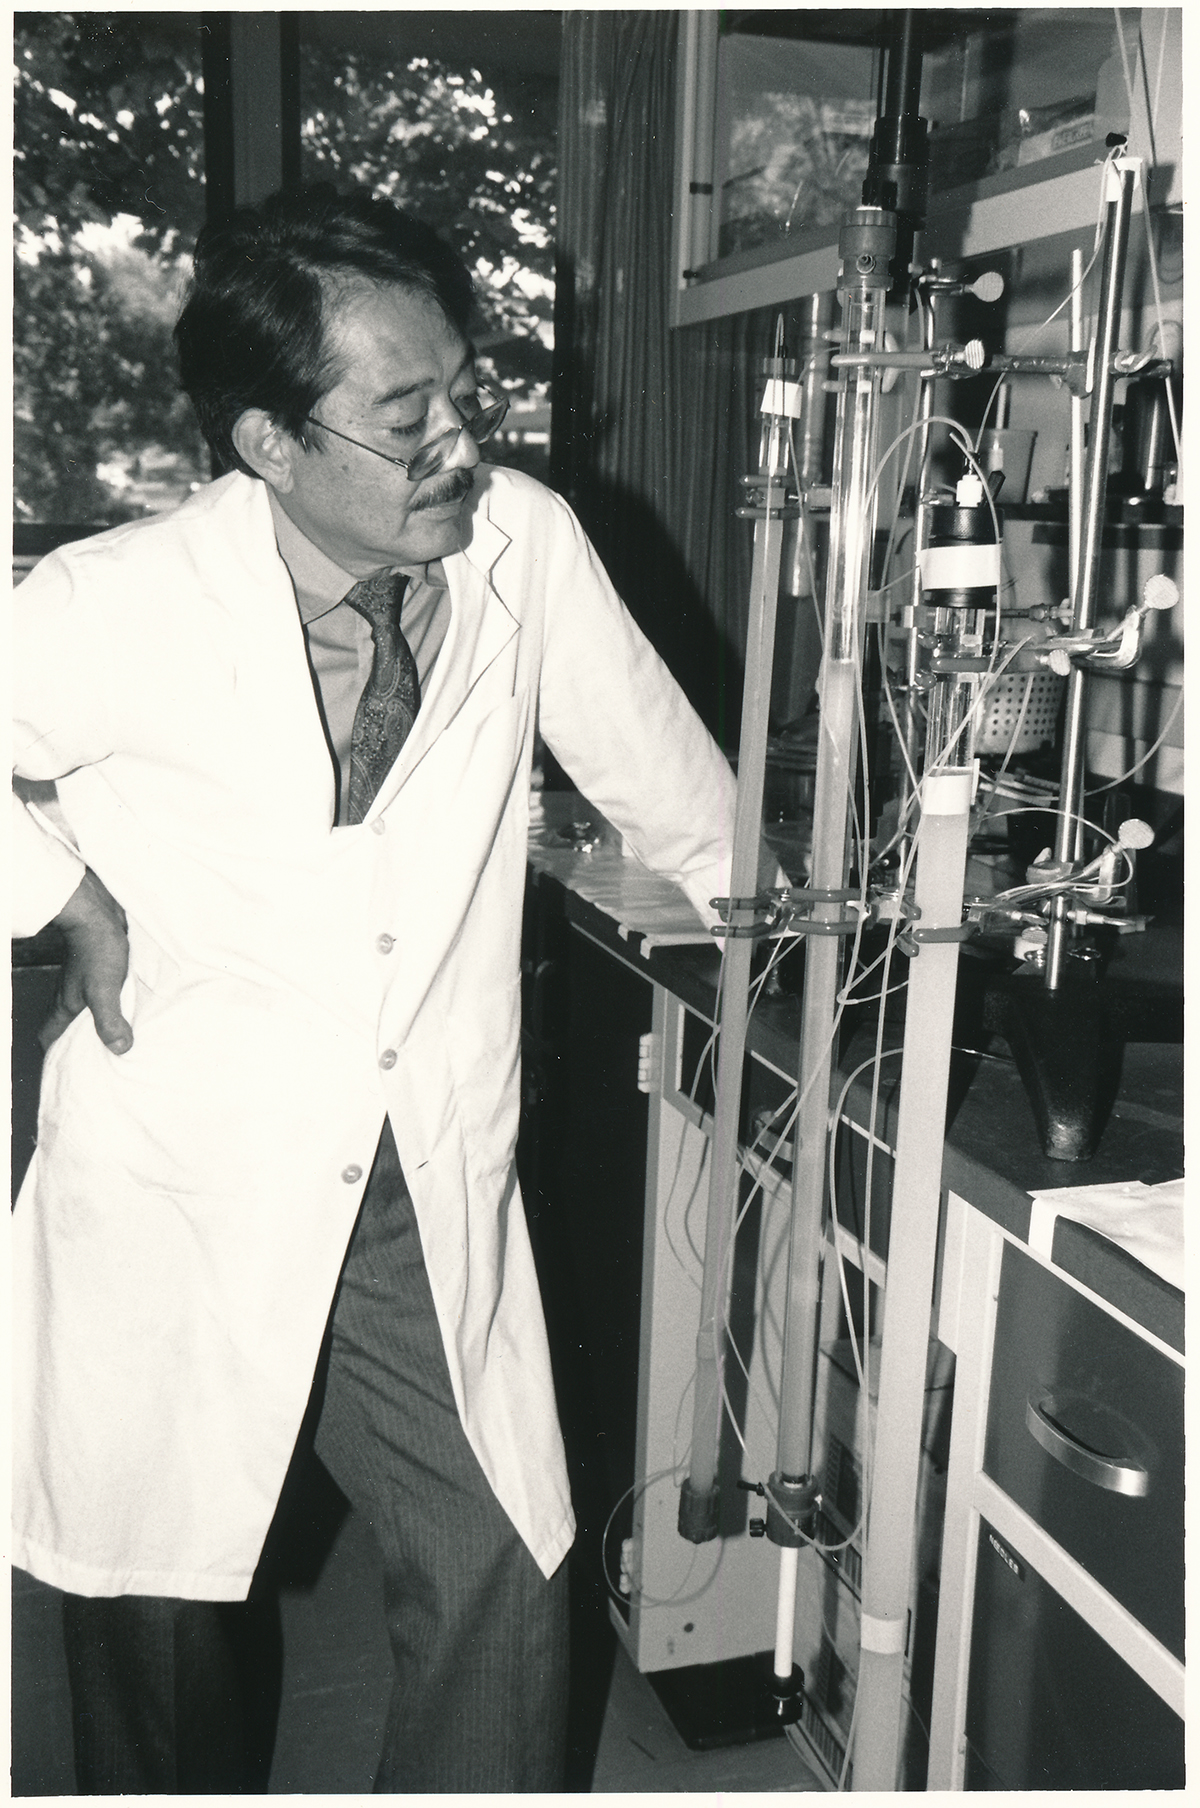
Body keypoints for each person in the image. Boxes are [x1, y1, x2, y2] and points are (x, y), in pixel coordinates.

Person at [11, 186, 742, 1793]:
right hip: (187, 1169)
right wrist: (56, 891)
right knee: (154, 1607)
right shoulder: (107, 601)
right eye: (407, 419)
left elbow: (665, 774)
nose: (459, 447)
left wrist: (782, 934)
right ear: (270, 443)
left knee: (500, 1564)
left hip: (417, 1163)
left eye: (463, 396)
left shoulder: (520, 543)